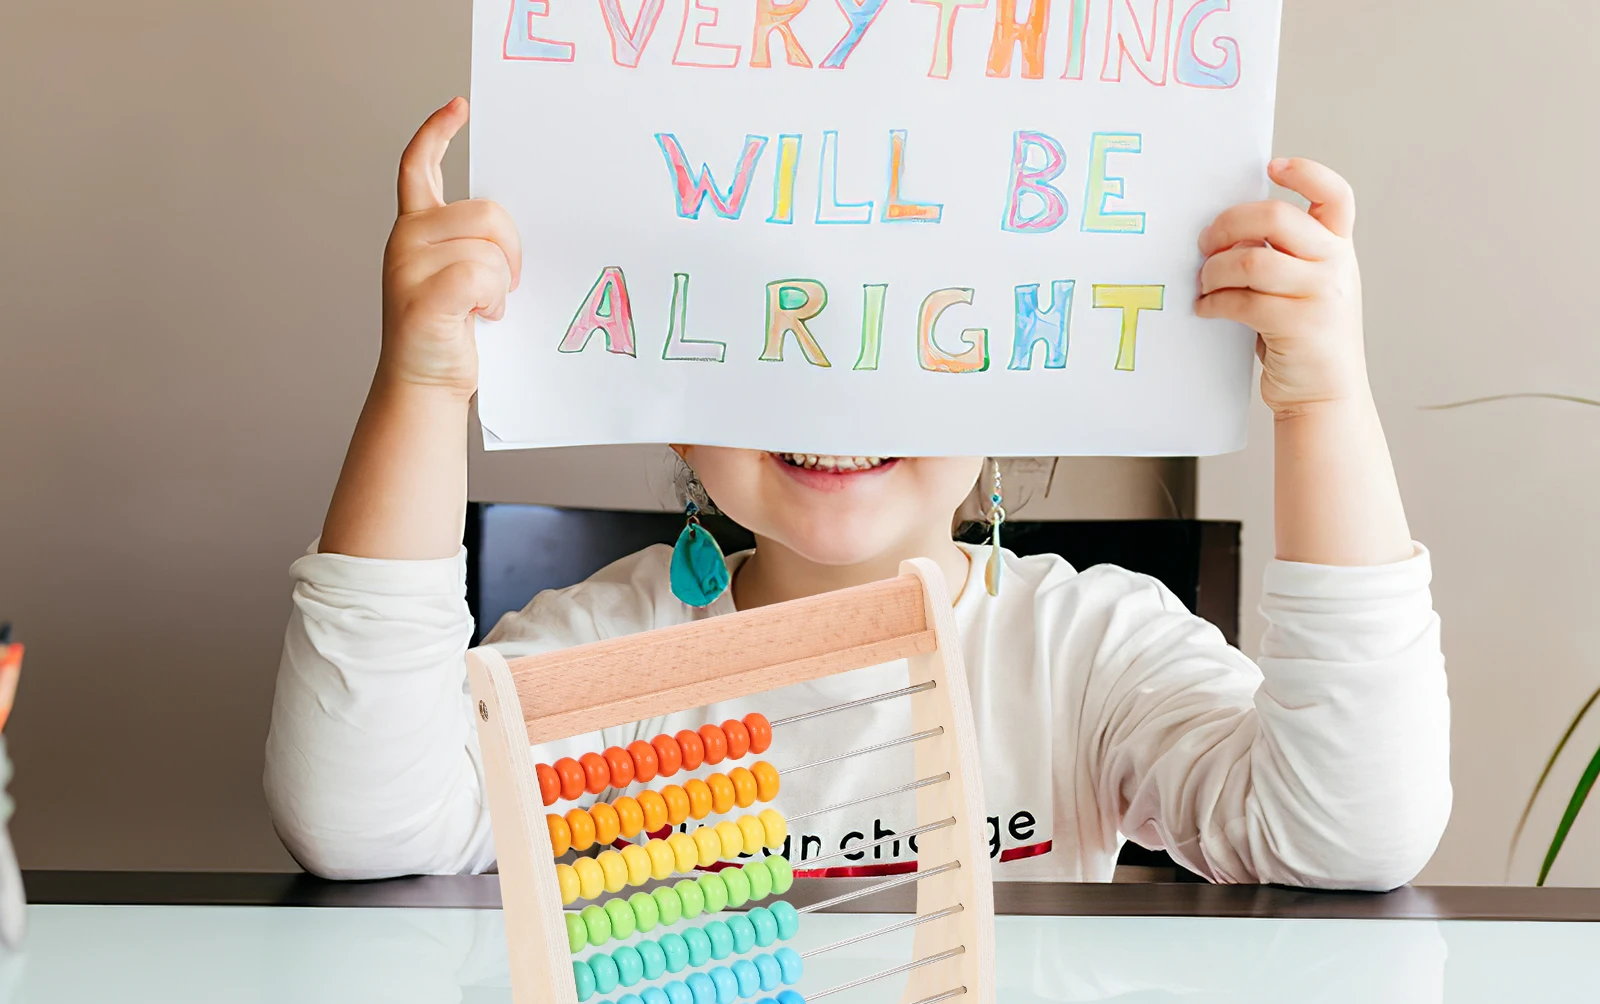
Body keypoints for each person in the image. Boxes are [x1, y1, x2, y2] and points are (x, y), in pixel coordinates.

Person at [266, 99, 1450, 889]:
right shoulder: (601, 658)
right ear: (660, 375)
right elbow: (363, 822)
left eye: (916, 332)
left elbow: (1345, 834)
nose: (831, 394)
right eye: (764, 324)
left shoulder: (1085, 652)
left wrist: (1324, 404)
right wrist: (419, 388)